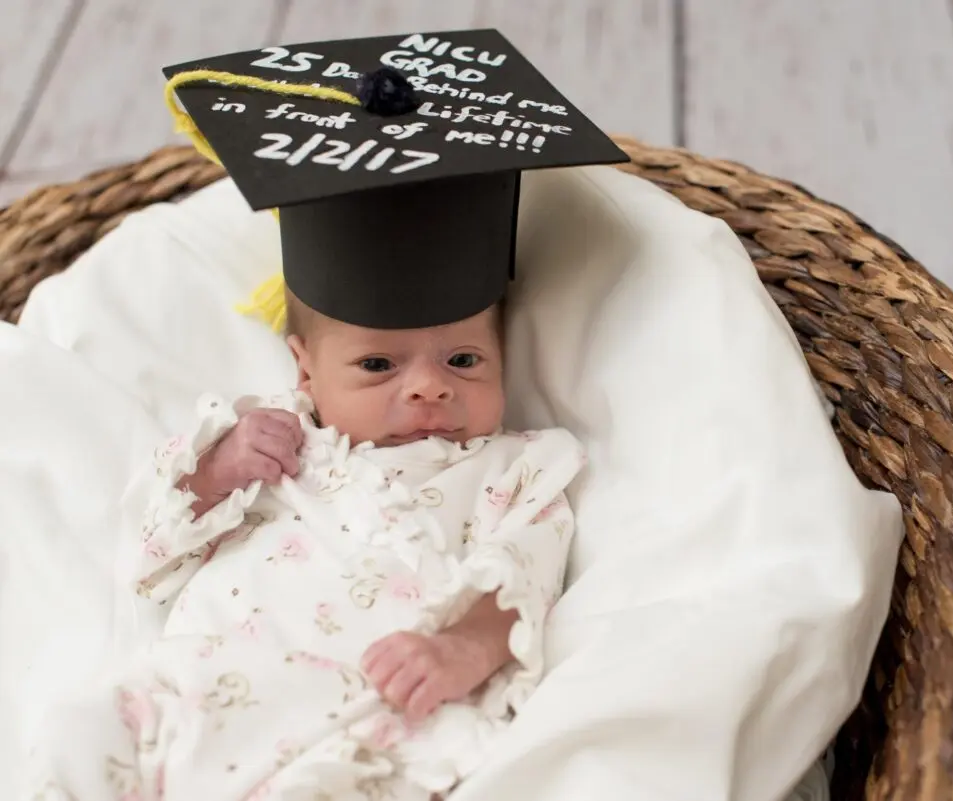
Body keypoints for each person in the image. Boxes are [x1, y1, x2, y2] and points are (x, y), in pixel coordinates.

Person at [19, 28, 628, 801]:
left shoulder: (519, 467)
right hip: (193, 693)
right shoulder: (273, 439)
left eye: (465, 360)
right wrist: (219, 468)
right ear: (303, 366)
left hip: (359, 714)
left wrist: (459, 652)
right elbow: (149, 563)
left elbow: (526, 583)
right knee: (80, 733)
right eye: (378, 365)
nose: (428, 389)